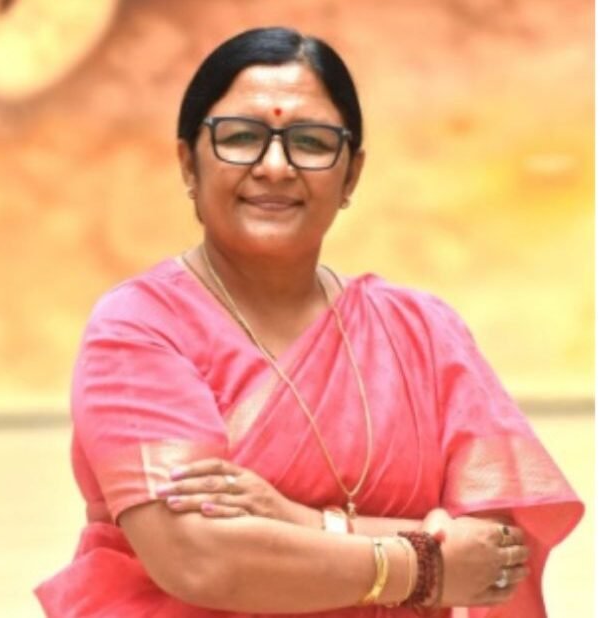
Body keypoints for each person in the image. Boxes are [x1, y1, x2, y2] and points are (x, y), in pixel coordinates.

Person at [35, 27, 583, 617]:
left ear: (351, 176)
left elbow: (494, 555)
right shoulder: (140, 329)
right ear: (188, 164)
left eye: (311, 142)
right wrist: (427, 566)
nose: (275, 166)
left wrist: (300, 521)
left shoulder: (423, 333)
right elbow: (200, 558)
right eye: (241, 137)